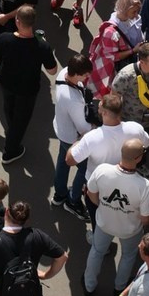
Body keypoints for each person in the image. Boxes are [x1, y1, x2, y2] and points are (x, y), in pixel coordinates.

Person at [0, 3, 58, 164]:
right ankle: (10, 151)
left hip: (6, 83)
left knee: (9, 108)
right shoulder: (42, 45)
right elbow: (52, 71)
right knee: (21, 119)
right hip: (28, 89)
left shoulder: (5, 39)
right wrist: (44, 45)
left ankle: (12, 132)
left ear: (17, 21)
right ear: (33, 22)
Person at [83, 139, 149, 296]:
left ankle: (89, 286)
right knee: (128, 256)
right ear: (138, 158)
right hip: (130, 230)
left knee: (96, 251)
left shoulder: (102, 170)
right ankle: (119, 287)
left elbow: (91, 193)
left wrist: (104, 206)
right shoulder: (144, 186)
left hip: (104, 223)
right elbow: (146, 219)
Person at [51, 53, 94, 217]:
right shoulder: (73, 100)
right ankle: (73, 200)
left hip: (62, 131)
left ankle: (60, 194)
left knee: (62, 162)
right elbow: (84, 127)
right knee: (85, 168)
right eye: (85, 75)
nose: (87, 77)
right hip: (73, 138)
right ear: (76, 74)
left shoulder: (63, 74)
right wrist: (96, 125)